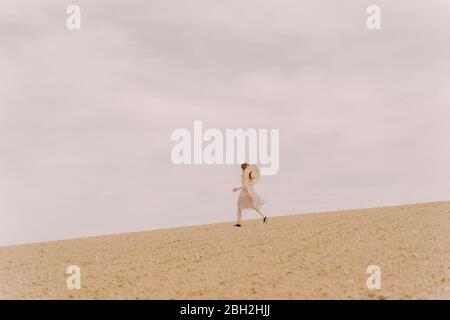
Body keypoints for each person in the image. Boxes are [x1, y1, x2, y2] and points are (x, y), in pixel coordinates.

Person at [232, 163, 268, 227]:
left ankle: (238, 223)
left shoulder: (243, 175)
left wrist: (237, 189)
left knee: (239, 208)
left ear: (243, 169)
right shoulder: (250, 175)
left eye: (242, 168)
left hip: (245, 193)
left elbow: (245, 186)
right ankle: (264, 217)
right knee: (254, 206)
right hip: (251, 191)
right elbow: (249, 185)